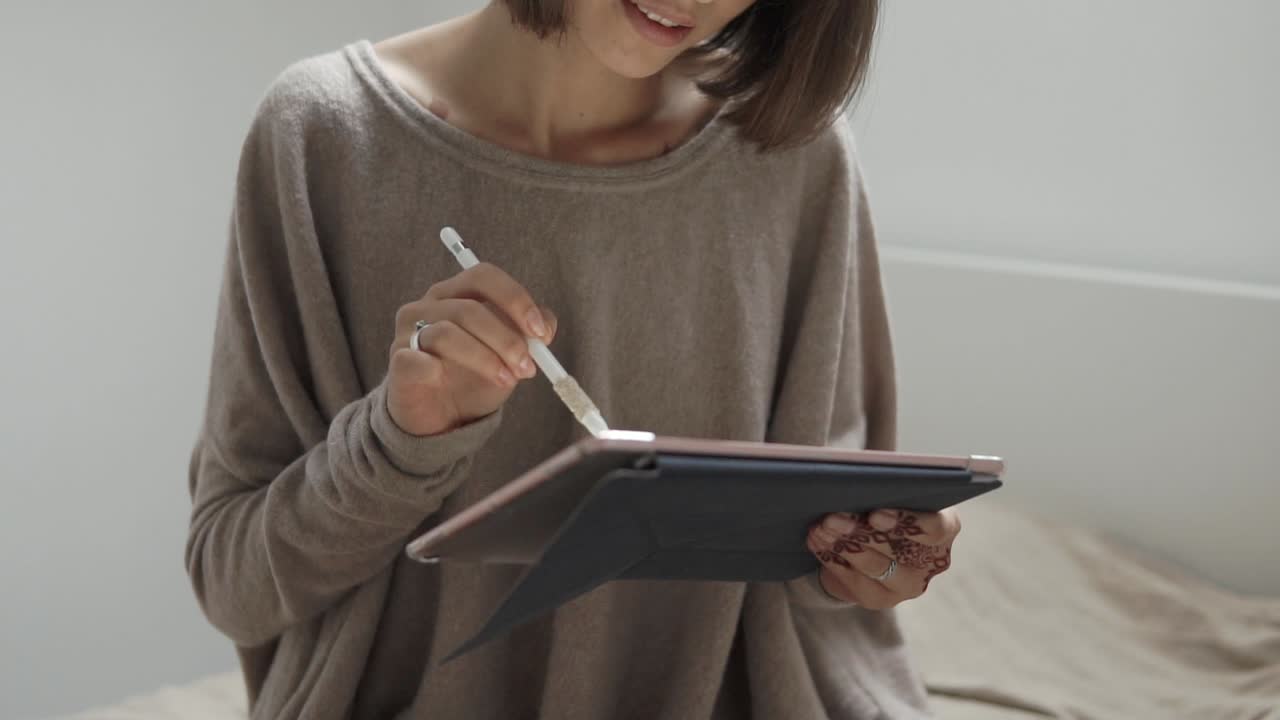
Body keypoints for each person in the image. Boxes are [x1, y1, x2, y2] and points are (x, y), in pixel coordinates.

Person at [185, 1, 962, 717]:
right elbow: (234, 587)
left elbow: (821, 564)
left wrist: (862, 564)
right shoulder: (323, 135)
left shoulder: (792, 154)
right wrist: (396, 443)